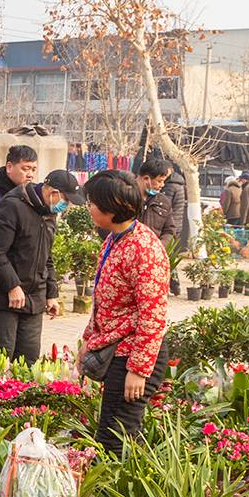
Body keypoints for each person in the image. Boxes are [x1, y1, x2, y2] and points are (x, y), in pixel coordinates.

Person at [81, 170, 169, 458]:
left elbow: (153, 314)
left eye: (93, 202)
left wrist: (138, 370)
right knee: (117, 432)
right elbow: (104, 299)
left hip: (134, 355)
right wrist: (88, 339)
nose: (89, 208)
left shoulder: (144, 248)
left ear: (113, 208)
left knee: (114, 438)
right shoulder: (117, 238)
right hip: (117, 348)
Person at [0, 171, 64, 363]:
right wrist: (12, 286)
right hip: (3, 298)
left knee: (28, 360)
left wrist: (51, 294)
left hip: (33, 298)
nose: (65, 204)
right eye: (65, 198)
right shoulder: (13, 205)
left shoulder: (49, 213)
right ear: (53, 192)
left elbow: (46, 256)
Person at [135, 159, 177, 246]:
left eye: (164, 181)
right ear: (146, 179)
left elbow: (169, 231)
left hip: (155, 254)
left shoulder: (164, 202)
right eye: (159, 181)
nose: (162, 185)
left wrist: (159, 247)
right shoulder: (124, 197)